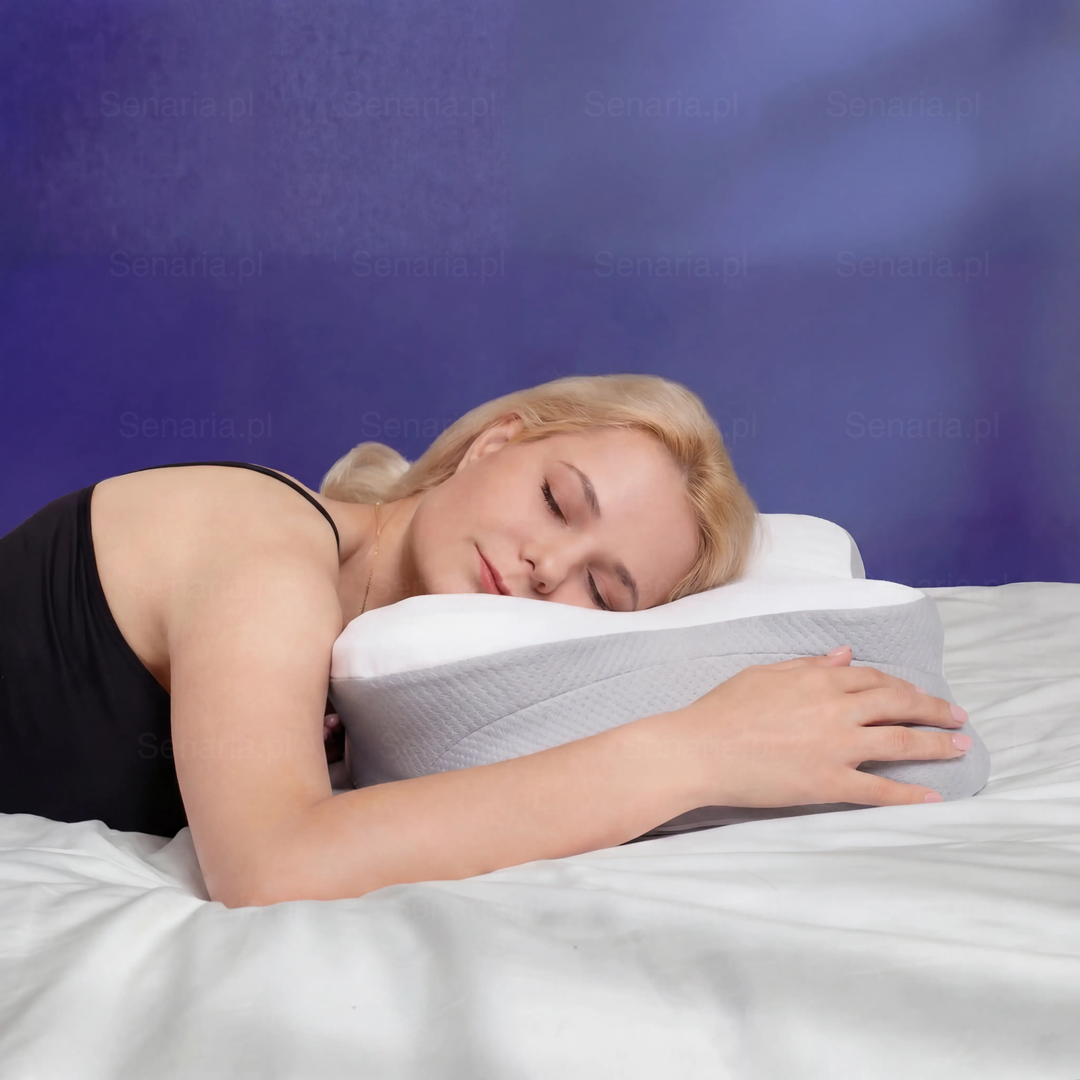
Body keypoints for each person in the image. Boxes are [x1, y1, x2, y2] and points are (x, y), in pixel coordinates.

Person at [0, 374, 970, 907]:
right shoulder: (270, 549)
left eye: (603, 589)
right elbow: (271, 864)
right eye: (557, 501)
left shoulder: (357, 660)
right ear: (493, 443)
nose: (550, 566)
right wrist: (698, 752)